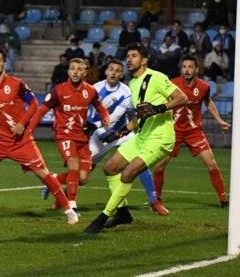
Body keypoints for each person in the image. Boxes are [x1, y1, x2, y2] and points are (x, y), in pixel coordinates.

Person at [0, 48, 79, 225]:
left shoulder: (17, 84)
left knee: (43, 174)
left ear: (4, 63)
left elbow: (34, 104)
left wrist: (22, 122)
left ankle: (69, 210)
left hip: (21, 141)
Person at [84, 43, 188, 234]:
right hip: (142, 136)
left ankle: (103, 217)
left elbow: (182, 98)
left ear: (144, 60)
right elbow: (139, 117)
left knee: (128, 173)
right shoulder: (132, 83)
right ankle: (123, 213)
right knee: (110, 168)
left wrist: (158, 108)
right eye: (128, 56)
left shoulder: (156, 77)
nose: (129, 59)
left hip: (160, 138)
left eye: (134, 56)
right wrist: (121, 131)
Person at [87, 59, 169, 215]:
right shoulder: (94, 89)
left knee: (140, 162)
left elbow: (117, 117)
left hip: (121, 134)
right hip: (99, 136)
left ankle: (154, 201)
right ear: (106, 71)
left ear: (121, 74)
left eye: (118, 70)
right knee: (84, 172)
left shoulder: (126, 91)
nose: (113, 73)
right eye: (111, 69)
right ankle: (64, 196)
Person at [31, 58, 110, 212]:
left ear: (85, 72)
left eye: (80, 69)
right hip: (64, 135)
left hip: (82, 137)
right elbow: (41, 111)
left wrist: (105, 116)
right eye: (72, 68)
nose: (75, 72)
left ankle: (53, 179)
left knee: (83, 178)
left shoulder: (90, 91)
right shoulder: (59, 90)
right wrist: (29, 130)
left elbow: (100, 106)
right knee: (73, 166)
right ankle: (72, 206)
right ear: (68, 71)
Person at [152, 56, 230, 208]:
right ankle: (156, 200)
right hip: (172, 131)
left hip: (194, 131)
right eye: (184, 67)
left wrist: (219, 120)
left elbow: (208, 101)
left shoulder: (203, 87)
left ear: (196, 69)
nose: (186, 70)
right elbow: (162, 102)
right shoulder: (172, 84)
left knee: (212, 164)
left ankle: (223, 199)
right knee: (159, 167)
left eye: (190, 67)